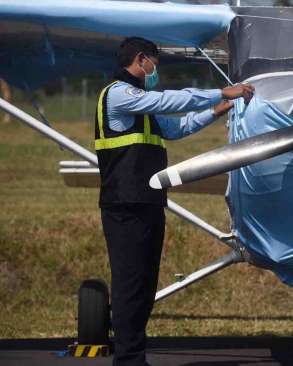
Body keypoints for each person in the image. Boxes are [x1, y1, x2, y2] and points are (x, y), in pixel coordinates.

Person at [95, 37, 253, 366]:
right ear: (141, 60)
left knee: (145, 282)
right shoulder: (119, 95)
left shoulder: (144, 107)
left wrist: (215, 111)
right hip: (126, 206)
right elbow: (168, 101)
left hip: (148, 202)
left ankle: (134, 356)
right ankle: (128, 360)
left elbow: (176, 127)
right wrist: (222, 91)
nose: (156, 71)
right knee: (130, 283)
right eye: (154, 63)